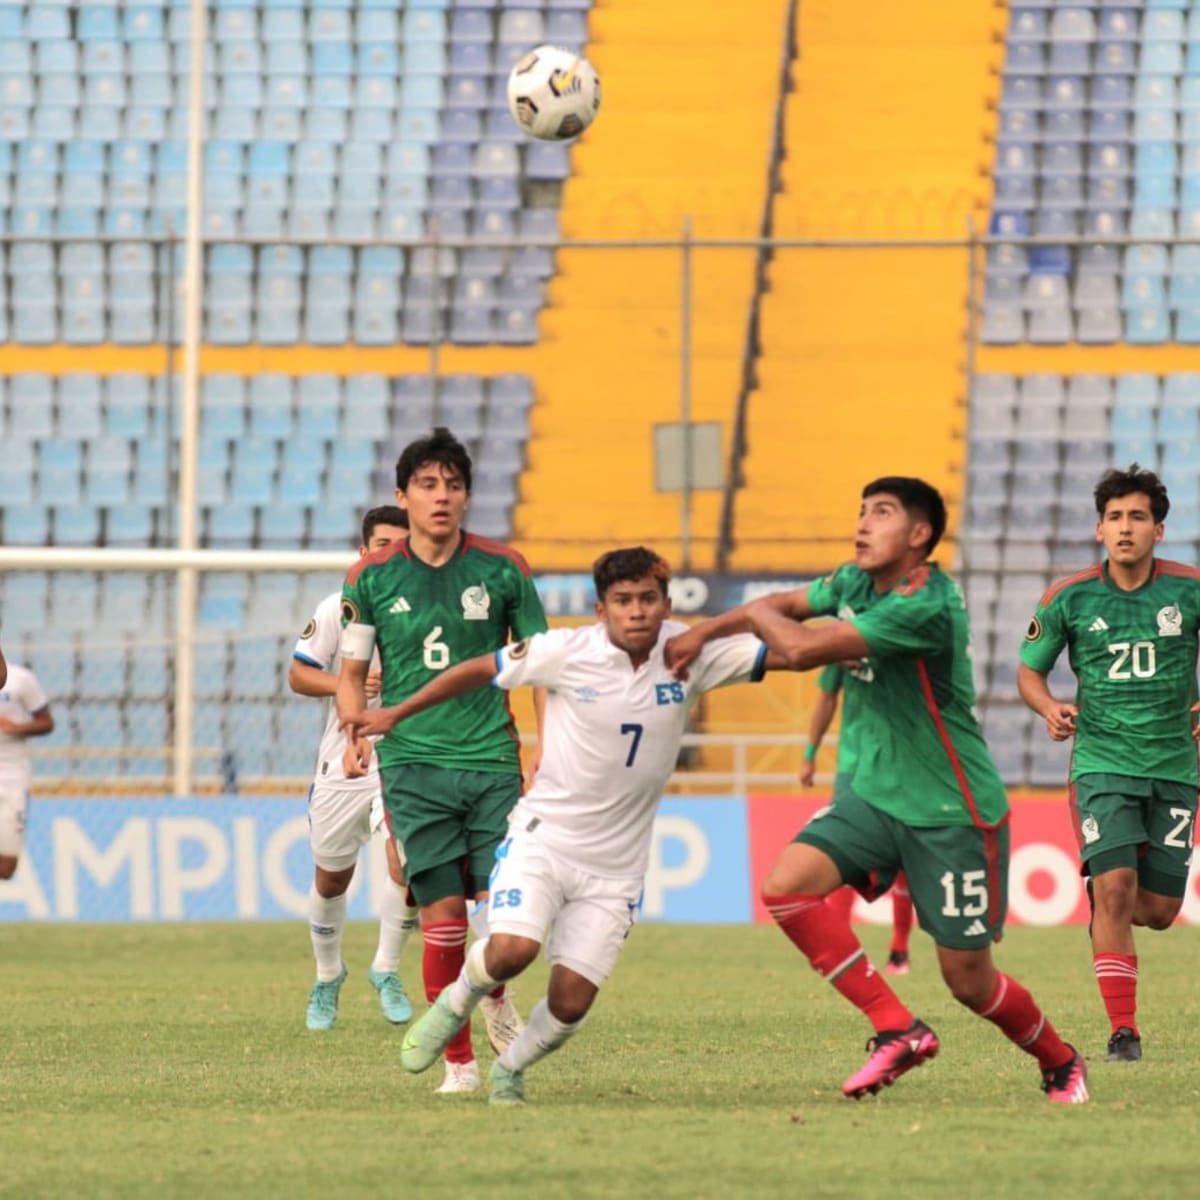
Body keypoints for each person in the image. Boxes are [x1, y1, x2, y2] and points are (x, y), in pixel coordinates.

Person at [665, 476, 1088, 1104]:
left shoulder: (927, 605)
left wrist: (750, 616)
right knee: (786, 888)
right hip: (877, 794)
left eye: (882, 513)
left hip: (952, 808)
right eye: (861, 510)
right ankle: (896, 1027)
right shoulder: (856, 582)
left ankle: (1060, 1061)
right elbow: (791, 601)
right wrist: (703, 633)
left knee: (968, 982)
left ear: (919, 535)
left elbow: (803, 647)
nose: (862, 523)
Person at [344, 547, 775, 1106]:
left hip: (617, 867)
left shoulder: (692, 653)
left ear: (667, 605)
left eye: (648, 599)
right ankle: (455, 1003)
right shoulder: (567, 651)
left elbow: (789, 651)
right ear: (601, 609)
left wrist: (853, 629)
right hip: (545, 838)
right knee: (512, 948)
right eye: (623, 601)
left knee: (570, 1004)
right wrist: (397, 713)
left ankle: (512, 1067)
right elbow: (481, 669)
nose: (637, 611)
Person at [337, 427, 548, 1094]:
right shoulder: (372, 577)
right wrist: (354, 725)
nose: (441, 496)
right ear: (403, 497)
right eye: (427, 485)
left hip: (492, 760)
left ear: (466, 497)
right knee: (444, 919)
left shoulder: (503, 569)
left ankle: (493, 995)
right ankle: (459, 1067)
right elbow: (352, 670)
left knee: (508, 920)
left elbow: (542, 665)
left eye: (453, 485)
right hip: (413, 768)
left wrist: (547, 749)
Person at [1018, 464, 1200, 1064]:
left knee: (1159, 912)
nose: (1126, 528)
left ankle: (1111, 905)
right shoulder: (1069, 597)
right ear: (1099, 530)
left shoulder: (1189, 589)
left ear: (1159, 530)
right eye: (1116, 517)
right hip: (1100, 762)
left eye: (1138, 517)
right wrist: (1048, 707)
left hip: (1174, 764)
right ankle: (1125, 1031)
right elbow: (1030, 671)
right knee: (1117, 890)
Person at [289, 505, 419, 1031]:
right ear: (363, 551)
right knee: (331, 878)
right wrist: (347, 686)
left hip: (408, 753)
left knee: (408, 862)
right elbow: (299, 676)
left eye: (400, 545)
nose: (391, 554)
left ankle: (386, 968)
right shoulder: (335, 606)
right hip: (344, 755)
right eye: (382, 544)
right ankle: (327, 975)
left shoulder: (427, 608)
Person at [806, 665, 916, 974]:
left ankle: (899, 948)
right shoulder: (842, 641)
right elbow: (826, 697)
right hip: (853, 767)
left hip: (899, 765)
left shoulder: (900, 638)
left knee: (903, 856)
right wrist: (809, 752)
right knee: (843, 854)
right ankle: (838, 949)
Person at [0, 658, 55, 881]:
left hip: (11, 774)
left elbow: (47, 722)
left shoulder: (20, 679)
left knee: (6, 867)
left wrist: (17, 727)